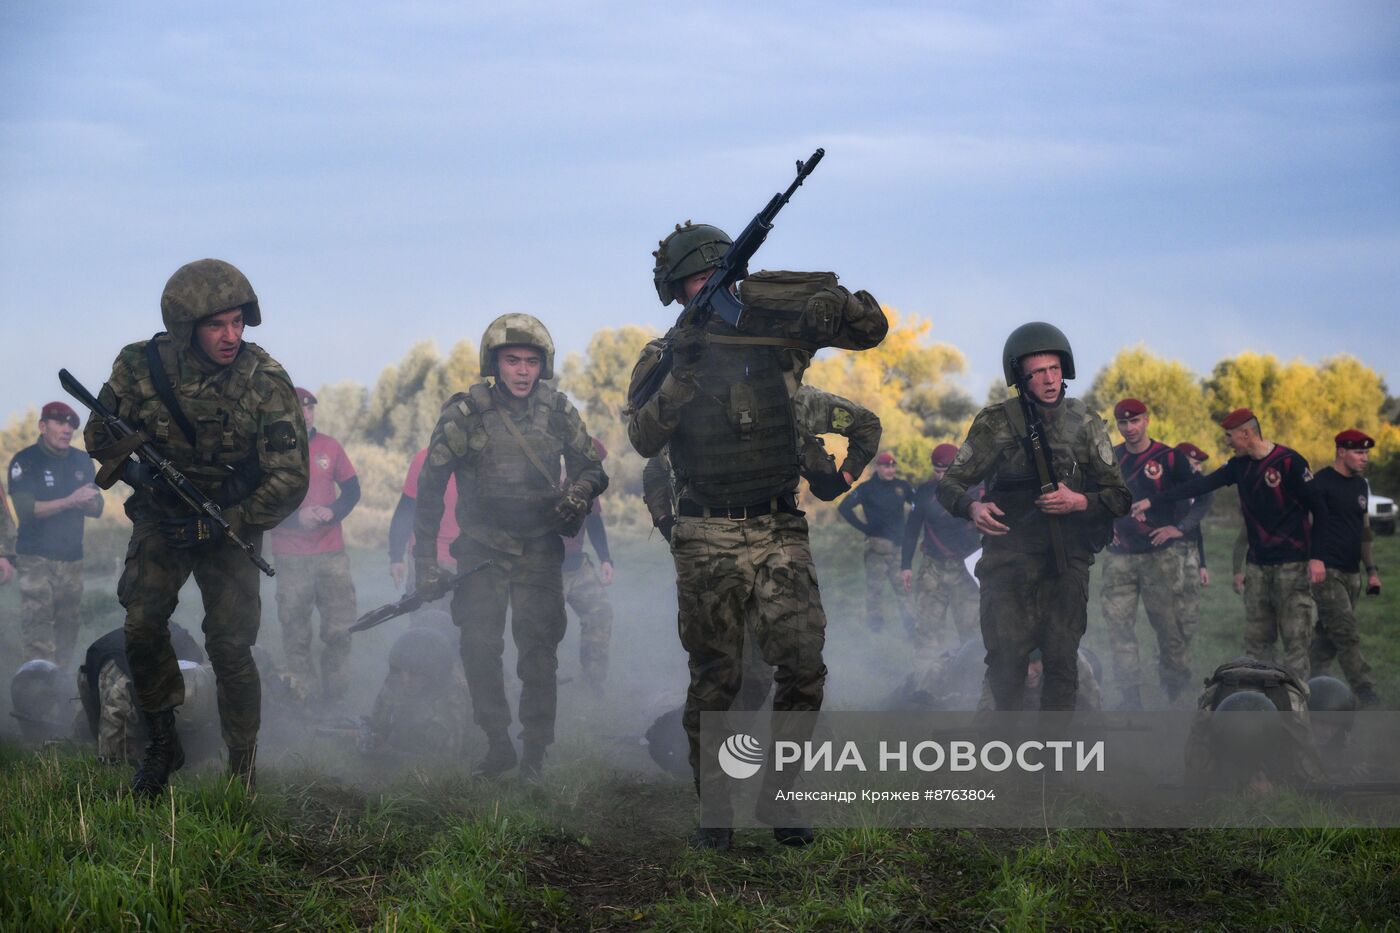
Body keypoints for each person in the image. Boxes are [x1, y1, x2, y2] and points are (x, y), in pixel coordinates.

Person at [629, 220, 887, 849]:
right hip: (705, 532)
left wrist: (822, 294)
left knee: (802, 668)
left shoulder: (776, 339)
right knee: (715, 677)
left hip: (778, 525)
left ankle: (783, 799)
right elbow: (643, 440)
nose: (710, 291)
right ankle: (715, 811)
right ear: (676, 290)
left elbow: (866, 330)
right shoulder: (664, 356)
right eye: (696, 281)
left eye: (718, 277)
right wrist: (684, 373)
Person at [84, 258, 309, 797]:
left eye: (238, 322)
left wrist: (226, 522)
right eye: (217, 325)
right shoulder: (141, 367)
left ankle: (242, 766)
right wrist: (141, 475)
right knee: (141, 626)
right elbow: (99, 432)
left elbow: (289, 478)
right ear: (187, 327)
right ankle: (162, 742)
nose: (232, 336)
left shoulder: (266, 381)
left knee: (231, 647)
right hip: (164, 516)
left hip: (231, 522)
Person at [413, 313, 607, 782]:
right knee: (480, 649)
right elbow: (431, 487)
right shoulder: (465, 413)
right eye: (512, 360)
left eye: (531, 361)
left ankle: (535, 753)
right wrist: (424, 564)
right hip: (480, 550)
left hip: (539, 550)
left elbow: (594, 469)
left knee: (539, 653)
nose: (522, 370)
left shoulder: (559, 410)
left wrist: (578, 495)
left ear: (544, 365)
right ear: (494, 363)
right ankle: (497, 743)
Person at [937, 322, 1130, 711]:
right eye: (1038, 372)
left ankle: (1052, 765)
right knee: (1006, 664)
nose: (1049, 379)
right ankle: (1007, 758)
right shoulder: (996, 423)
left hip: (1066, 562)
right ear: (1020, 379)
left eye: (1055, 369)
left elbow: (1120, 497)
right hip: (1008, 562)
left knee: (1061, 662)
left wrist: (1078, 502)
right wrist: (972, 507)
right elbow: (950, 484)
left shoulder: (1086, 424)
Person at [1131, 408, 1328, 679]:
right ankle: (1265, 704)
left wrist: (1317, 557)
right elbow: (1199, 486)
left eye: (1230, 436)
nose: (1227, 442)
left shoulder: (1289, 462)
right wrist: (1153, 500)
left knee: (1295, 642)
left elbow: (1321, 509)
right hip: (1257, 567)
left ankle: (1296, 714)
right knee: (1258, 642)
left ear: (1246, 434)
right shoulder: (1238, 466)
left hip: (1293, 566)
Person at [1100, 399, 1212, 707]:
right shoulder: (1111, 458)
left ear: (1147, 420)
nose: (1129, 428)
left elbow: (1202, 495)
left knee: (1169, 630)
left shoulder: (1170, 458)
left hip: (1159, 558)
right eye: (1123, 423)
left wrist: (1181, 527)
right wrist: (1101, 525)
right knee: (1118, 629)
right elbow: (1097, 498)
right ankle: (1130, 697)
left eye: (1135, 421)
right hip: (1118, 558)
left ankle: (1173, 693)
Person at [267, 387, 361, 707]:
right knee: (296, 631)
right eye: (299, 409)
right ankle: (303, 699)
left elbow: (352, 491)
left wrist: (333, 511)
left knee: (340, 628)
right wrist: (296, 519)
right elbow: (263, 503)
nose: (306, 414)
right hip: (290, 555)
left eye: (310, 409)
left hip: (331, 554)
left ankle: (336, 699)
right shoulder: (271, 451)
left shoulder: (331, 447)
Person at [7, 401, 103, 667]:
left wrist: (90, 502)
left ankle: (61, 683)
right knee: (38, 627)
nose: (66, 430)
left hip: (72, 558)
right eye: (60, 424)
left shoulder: (81, 460)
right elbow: (26, 510)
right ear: (42, 426)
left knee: (68, 624)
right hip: (35, 558)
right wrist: (71, 500)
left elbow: (97, 506)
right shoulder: (25, 461)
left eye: (71, 425)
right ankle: (37, 688)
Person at [1307, 430, 1383, 707]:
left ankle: (1311, 687)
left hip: (1353, 574)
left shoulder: (1361, 485)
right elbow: (1307, 525)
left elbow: (1364, 531)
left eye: (1366, 453)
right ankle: (1366, 691)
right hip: (1327, 571)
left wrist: (1371, 570)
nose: (1365, 458)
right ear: (1341, 451)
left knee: (1327, 639)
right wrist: (1313, 561)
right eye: (1359, 453)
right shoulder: (1321, 482)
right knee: (1346, 632)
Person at [73, 623, 217, 765]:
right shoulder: (119, 689)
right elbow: (113, 758)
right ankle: (78, 733)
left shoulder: (196, 661)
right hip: (105, 668)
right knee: (118, 756)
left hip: (143, 662)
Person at [900, 444, 981, 658]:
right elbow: (911, 529)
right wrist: (906, 565)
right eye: (937, 472)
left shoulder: (976, 490)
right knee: (928, 632)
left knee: (971, 632)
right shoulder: (925, 492)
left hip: (967, 569)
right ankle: (926, 685)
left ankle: (970, 684)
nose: (941, 476)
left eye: (946, 471)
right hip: (933, 568)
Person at [561, 438, 616, 694]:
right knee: (544, 627)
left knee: (600, 612)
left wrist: (605, 559)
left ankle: (593, 681)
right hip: (544, 566)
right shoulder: (548, 477)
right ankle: (540, 683)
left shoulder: (588, 484)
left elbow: (593, 521)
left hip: (576, 565)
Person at [839, 451, 915, 632]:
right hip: (876, 549)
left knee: (904, 590)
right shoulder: (866, 489)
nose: (890, 470)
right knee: (875, 590)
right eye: (885, 466)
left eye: (892, 466)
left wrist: (912, 527)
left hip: (898, 548)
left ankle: (911, 626)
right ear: (877, 468)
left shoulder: (902, 486)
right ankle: (875, 628)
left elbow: (917, 504)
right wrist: (864, 528)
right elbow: (844, 507)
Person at [1174, 442, 1214, 645]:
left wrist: (1203, 564)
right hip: (1171, 552)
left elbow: (1195, 527)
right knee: (1173, 604)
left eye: (1200, 465)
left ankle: (1185, 647)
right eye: (1195, 463)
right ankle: (1171, 650)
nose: (1199, 469)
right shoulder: (1170, 486)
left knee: (1191, 604)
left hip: (1191, 552)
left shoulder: (1196, 489)